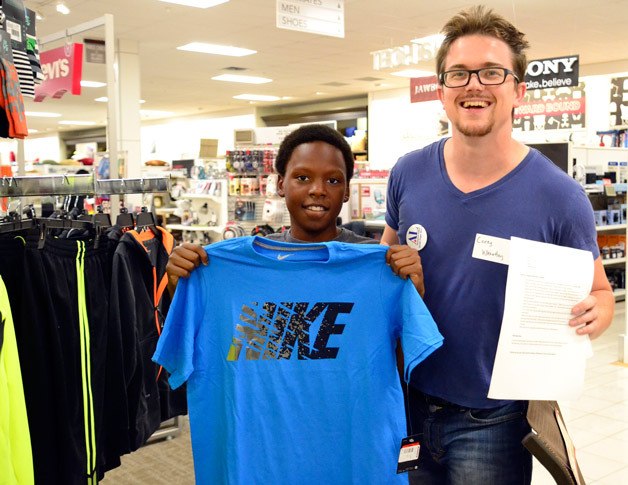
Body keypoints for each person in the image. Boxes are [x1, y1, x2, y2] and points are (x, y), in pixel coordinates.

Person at [381, 5, 615, 484]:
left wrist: (598, 312)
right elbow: (385, 265)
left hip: (497, 420)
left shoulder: (560, 196)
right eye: (459, 74)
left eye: (491, 72)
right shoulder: (407, 173)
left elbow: (602, 294)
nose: (474, 85)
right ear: (441, 92)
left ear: (518, 92)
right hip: (408, 403)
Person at [166, 123, 424, 297]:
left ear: (347, 191)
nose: (317, 190)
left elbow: (398, 358)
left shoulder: (377, 263)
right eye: (302, 178)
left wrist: (414, 292)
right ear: (280, 184)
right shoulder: (245, 263)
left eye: (333, 181)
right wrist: (183, 288)